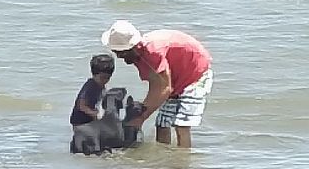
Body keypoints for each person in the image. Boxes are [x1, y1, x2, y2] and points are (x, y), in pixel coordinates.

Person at [100, 20, 213, 148]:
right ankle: (162, 160)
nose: (119, 57)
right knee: (162, 123)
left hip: (195, 74)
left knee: (181, 125)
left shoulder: (153, 52)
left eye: (119, 52)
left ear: (131, 48)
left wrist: (141, 118)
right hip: (174, 78)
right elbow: (156, 85)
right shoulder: (137, 54)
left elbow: (164, 88)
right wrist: (141, 113)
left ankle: (183, 162)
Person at [69, 53, 115, 127]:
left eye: (108, 78)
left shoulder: (101, 86)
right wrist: (94, 113)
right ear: (94, 74)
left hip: (90, 119)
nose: (105, 80)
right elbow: (81, 105)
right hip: (79, 121)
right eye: (102, 78)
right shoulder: (90, 86)